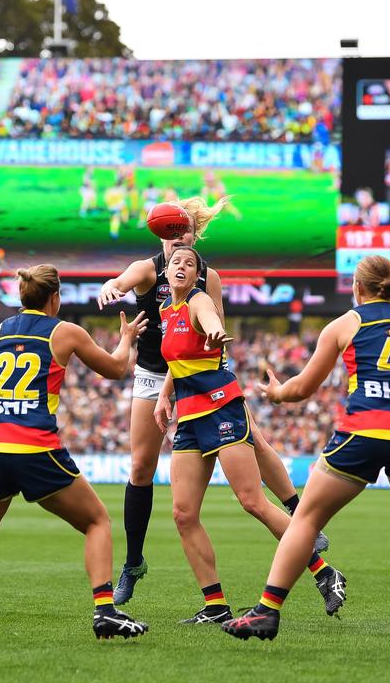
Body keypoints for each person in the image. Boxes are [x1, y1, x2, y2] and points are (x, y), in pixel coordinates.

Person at [96, 197, 321, 605]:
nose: (178, 238)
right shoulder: (148, 268)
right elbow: (124, 279)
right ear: (162, 233)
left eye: (185, 232)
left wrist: (213, 344)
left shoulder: (205, 278)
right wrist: (111, 287)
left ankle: (299, 511)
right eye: (173, 231)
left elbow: (213, 320)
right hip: (154, 375)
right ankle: (132, 564)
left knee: (256, 441)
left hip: (199, 374)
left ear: (194, 238)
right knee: (141, 468)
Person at [222, 256, 390, 651]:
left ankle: (267, 611)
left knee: (306, 518)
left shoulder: (346, 323)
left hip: (363, 431)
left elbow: (302, 389)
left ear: (356, 288)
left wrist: (275, 392)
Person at [0, 266, 150, 644]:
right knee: (97, 522)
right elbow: (116, 368)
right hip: (34, 447)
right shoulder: (66, 332)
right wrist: (126, 338)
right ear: (54, 297)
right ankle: (105, 611)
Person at [153, 247, 346, 626]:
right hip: (191, 417)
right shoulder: (165, 311)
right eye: (176, 262)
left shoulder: (199, 301)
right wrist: (164, 395)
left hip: (221, 408)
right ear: (166, 271)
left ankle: (325, 572)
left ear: (197, 277)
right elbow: (179, 362)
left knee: (252, 501)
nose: (181, 266)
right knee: (182, 514)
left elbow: (209, 320)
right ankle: (215, 605)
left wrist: (214, 329)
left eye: (190, 264)